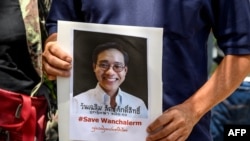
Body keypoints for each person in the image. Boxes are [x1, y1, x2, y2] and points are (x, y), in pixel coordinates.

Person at [42, 0, 250, 140]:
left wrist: (192, 111)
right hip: (91, 131)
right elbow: (60, 30)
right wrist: (54, 51)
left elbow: (242, 54)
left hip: (176, 135)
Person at [72, 42, 148, 118]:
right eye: (104, 65)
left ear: (125, 70)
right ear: (94, 67)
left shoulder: (138, 105)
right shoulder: (77, 103)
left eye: (117, 66)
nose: (110, 72)